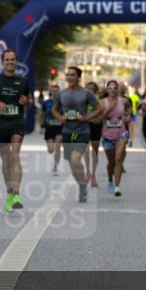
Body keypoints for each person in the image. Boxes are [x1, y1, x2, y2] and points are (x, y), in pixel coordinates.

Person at [0, 50, 32, 213]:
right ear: (2, 62)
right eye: (7, 59)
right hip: (0, 125)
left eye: (12, 59)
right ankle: (9, 192)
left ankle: (16, 194)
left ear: (16, 62)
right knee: (6, 160)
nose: (10, 62)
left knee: (15, 154)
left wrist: (26, 101)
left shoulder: (23, 81)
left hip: (17, 123)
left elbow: (29, 100)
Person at [54, 66, 102, 203]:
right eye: (68, 75)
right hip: (67, 132)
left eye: (73, 75)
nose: (70, 77)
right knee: (72, 164)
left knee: (75, 159)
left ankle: (83, 186)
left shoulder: (86, 93)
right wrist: (60, 118)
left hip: (82, 131)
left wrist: (86, 117)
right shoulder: (61, 93)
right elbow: (54, 110)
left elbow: (99, 109)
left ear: (78, 77)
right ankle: (82, 185)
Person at [99, 80, 130, 196]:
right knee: (111, 162)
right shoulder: (102, 102)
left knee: (118, 159)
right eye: (110, 88)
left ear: (118, 89)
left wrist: (127, 116)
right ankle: (109, 180)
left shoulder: (124, 101)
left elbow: (129, 109)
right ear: (107, 90)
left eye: (115, 87)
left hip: (121, 134)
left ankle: (117, 187)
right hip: (107, 135)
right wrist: (108, 109)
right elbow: (99, 119)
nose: (112, 90)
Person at [41, 83, 63, 175]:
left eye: (57, 91)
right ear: (51, 92)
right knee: (51, 150)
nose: (55, 93)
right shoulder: (46, 103)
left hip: (60, 127)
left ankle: (55, 166)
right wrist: (41, 126)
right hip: (49, 127)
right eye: (54, 91)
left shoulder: (63, 103)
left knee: (58, 146)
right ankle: (52, 155)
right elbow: (42, 114)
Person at [84, 80, 102, 187]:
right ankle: (87, 172)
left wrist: (98, 119)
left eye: (92, 89)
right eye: (88, 88)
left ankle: (93, 175)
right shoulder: (81, 99)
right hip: (84, 126)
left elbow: (102, 112)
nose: (90, 90)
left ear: (95, 90)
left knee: (95, 152)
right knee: (86, 150)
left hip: (96, 126)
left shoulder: (98, 99)